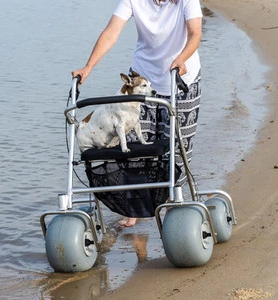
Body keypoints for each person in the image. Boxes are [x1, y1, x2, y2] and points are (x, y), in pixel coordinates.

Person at [72, 0, 203, 227]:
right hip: (141, 84)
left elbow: (195, 34)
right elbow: (111, 32)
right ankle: (135, 209)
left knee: (178, 149)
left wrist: (181, 59)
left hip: (180, 79)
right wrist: (88, 67)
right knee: (133, 149)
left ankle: (175, 205)